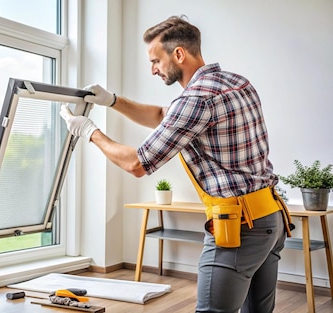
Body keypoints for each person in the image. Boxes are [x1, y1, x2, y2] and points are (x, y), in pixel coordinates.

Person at [60, 15, 292, 313]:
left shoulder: (196, 99)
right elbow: (160, 115)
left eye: (156, 60)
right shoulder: (237, 83)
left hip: (240, 227)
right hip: (271, 218)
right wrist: (112, 101)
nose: (153, 69)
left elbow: (137, 163)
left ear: (178, 54)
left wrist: (89, 131)